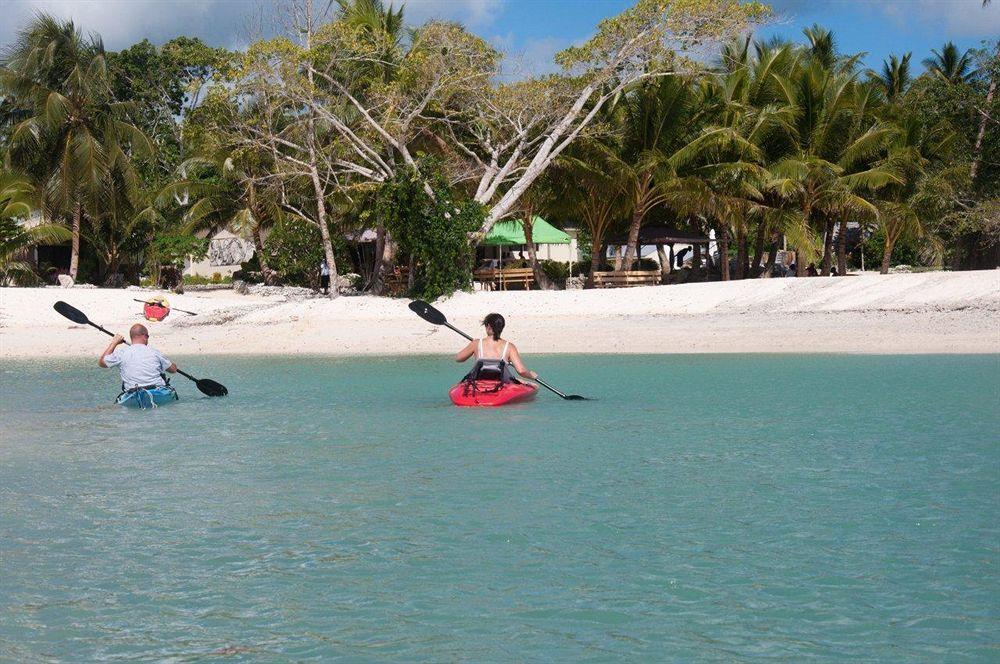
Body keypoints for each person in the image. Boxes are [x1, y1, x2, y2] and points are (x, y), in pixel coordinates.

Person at [455, 313, 537, 383]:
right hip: (500, 381)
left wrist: (472, 345)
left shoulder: (476, 343)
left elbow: (458, 358)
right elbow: (521, 371)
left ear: (488, 326)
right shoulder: (510, 347)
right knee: (521, 381)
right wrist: (531, 375)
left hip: (479, 380)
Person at [99, 324, 177, 390]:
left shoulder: (121, 353)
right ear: (144, 336)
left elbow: (102, 363)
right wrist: (172, 365)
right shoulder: (154, 352)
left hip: (134, 391)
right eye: (148, 336)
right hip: (157, 390)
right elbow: (173, 370)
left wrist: (114, 343)